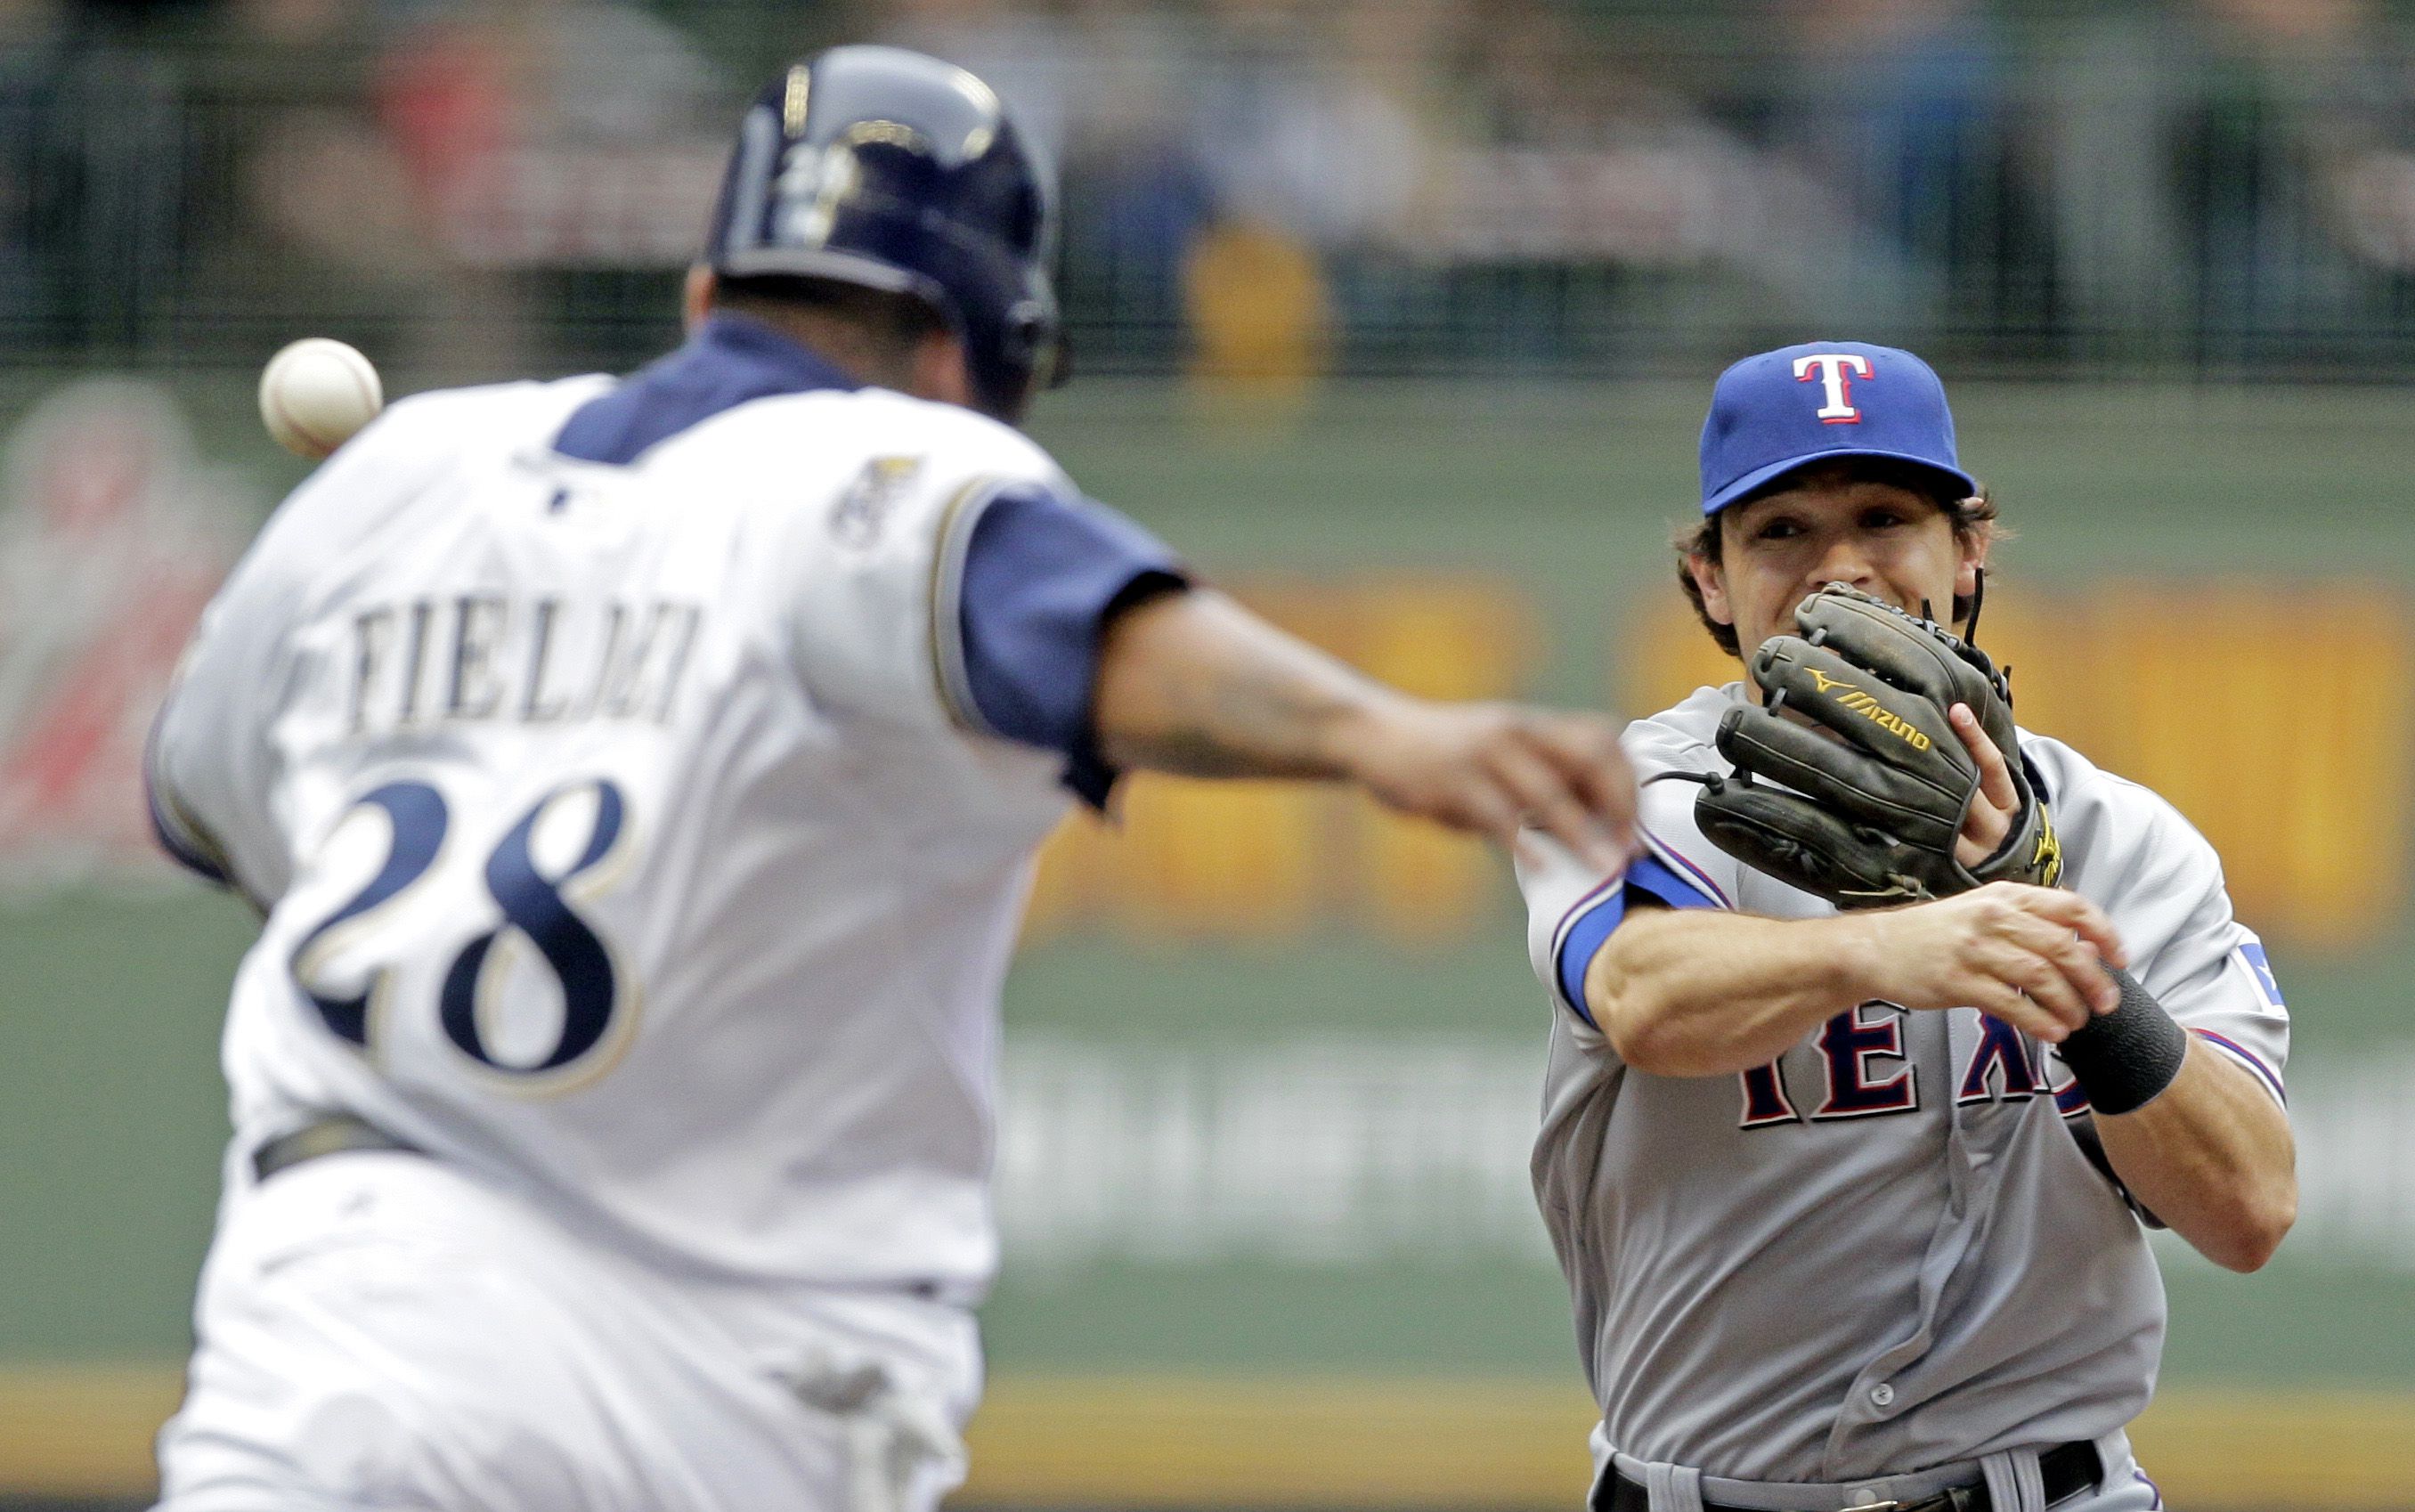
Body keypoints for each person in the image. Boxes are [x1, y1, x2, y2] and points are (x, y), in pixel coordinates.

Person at [143, 45, 1637, 1512]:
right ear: (958, 358)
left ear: (705, 293)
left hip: (339, 1309)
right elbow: (1072, 622)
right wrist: (1379, 730)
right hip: (726, 1378)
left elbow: (204, 808)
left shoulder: (397, 478)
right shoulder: (889, 467)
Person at [1518, 341, 2294, 1512]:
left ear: (1968, 548)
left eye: (1886, 518)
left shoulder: (2120, 840)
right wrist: (1887, 945)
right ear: (1710, 578)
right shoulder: (1637, 793)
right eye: (1780, 528)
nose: (1842, 570)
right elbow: (1643, 995)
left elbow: (2247, 1208)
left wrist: (2061, 955)